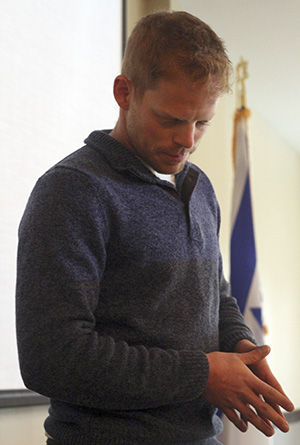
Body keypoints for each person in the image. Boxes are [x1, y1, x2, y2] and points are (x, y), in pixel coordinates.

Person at [16, 10, 294, 445]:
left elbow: (214, 294)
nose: (188, 140)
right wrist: (201, 374)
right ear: (124, 93)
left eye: (202, 122)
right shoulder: (72, 191)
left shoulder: (199, 189)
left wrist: (238, 343)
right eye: (171, 119)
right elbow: (50, 357)